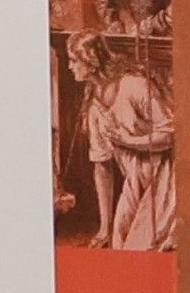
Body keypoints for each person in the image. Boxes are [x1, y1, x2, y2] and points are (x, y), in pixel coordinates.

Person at [63, 32, 175, 251]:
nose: (70, 66)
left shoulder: (135, 86)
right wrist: (104, 227)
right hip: (136, 181)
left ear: (90, 60)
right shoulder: (95, 108)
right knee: (119, 240)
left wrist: (130, 141)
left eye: (74, 60)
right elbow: (102, 166)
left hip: (166, 177)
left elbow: (170, 135)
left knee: (142, 245)